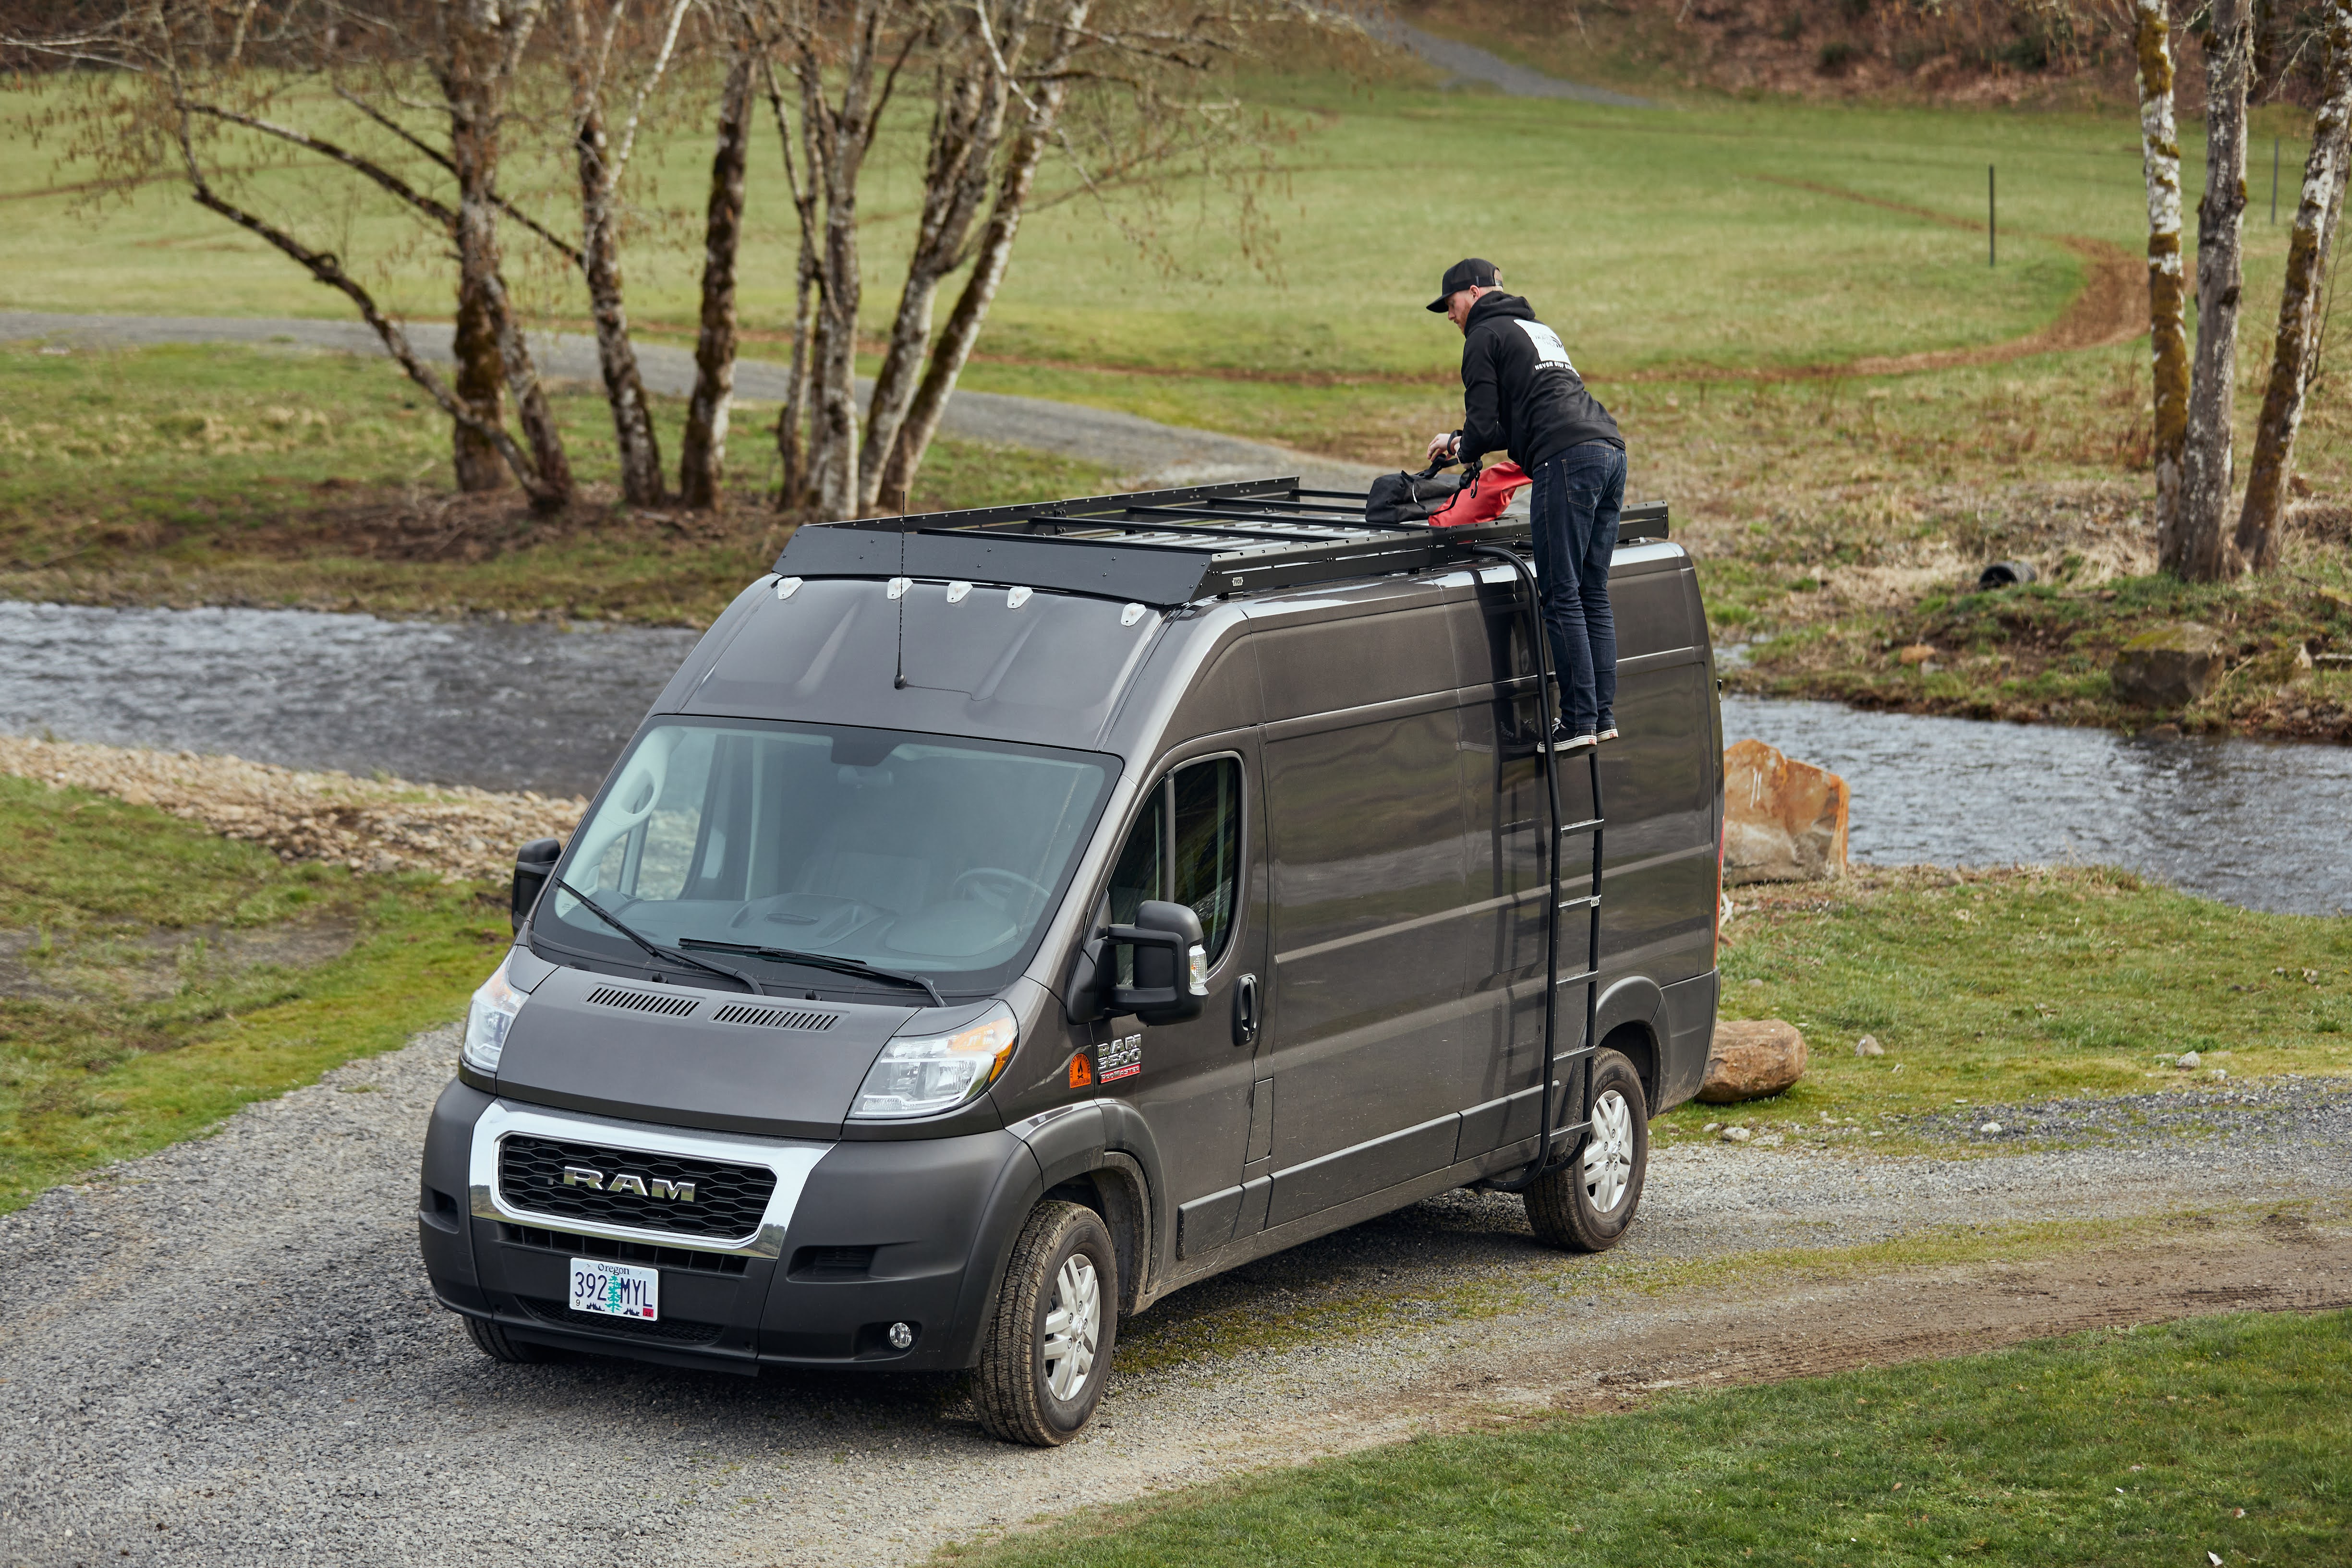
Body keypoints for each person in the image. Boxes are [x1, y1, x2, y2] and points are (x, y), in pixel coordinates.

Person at [1424, 258, 1626, 750]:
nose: (1449, 317)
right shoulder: (1536, 328)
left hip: (1565, 457)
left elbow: (1487, 427)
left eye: (1449, 305)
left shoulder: (1482, 337)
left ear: (1471, 293)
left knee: (1559, 591)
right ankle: (1600, 716)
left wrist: (1456, 445)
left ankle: (1577, 722)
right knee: (1590, 590)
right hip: (1609, 449)